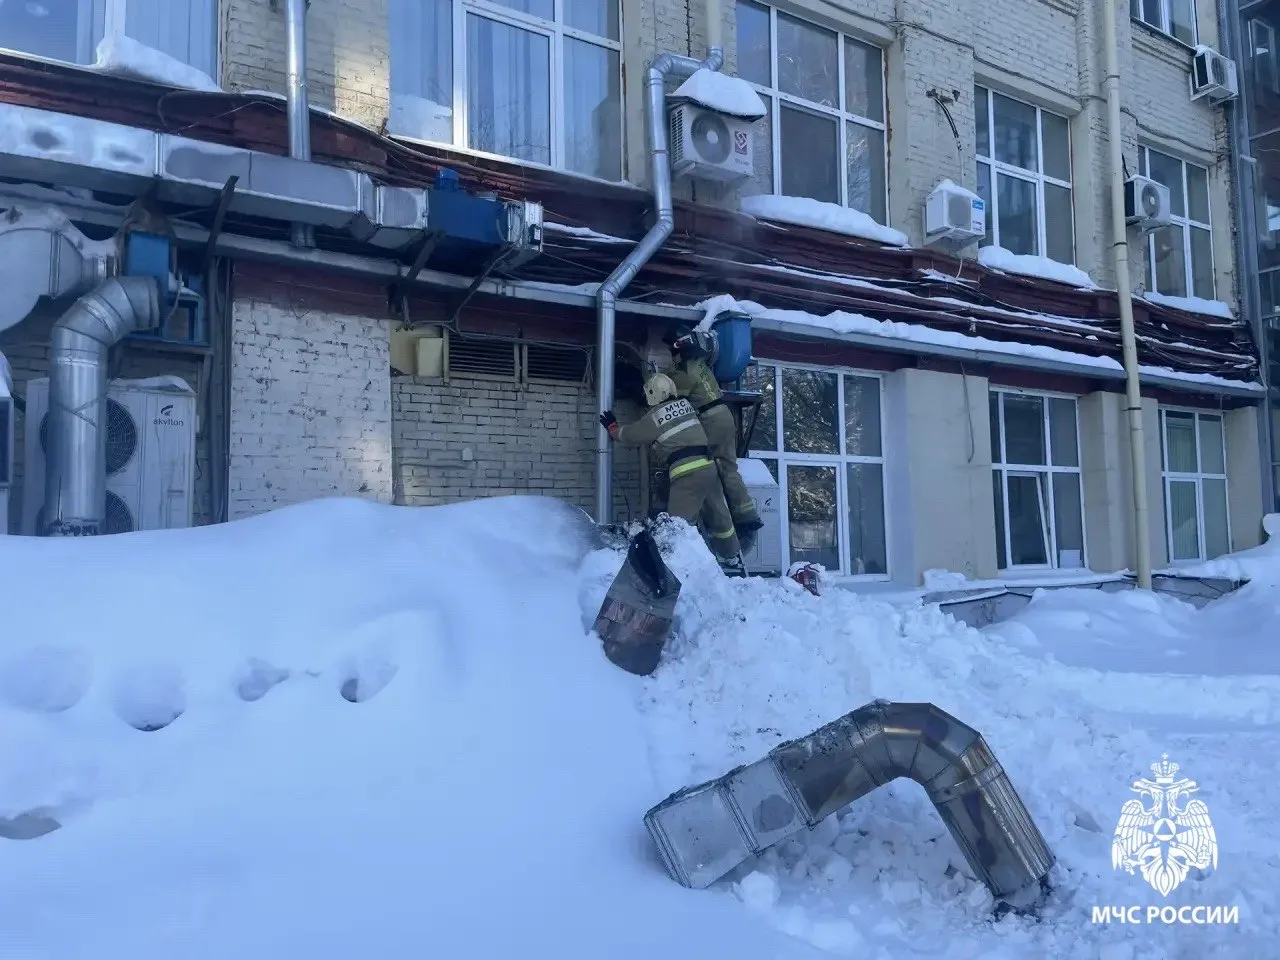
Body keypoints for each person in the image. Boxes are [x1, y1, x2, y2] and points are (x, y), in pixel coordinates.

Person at [600, 373, 744, 572]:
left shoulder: (655, 416)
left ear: (652, 394)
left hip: (687, 475)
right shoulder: (686, 406)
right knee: (719, 514)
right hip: (709, 468)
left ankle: (678, 568)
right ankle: (731, 555)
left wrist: (613, 428)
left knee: (677, 526)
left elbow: (631, 435)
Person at [664, 326, 764, 551]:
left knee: (703, 470)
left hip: (708, 420)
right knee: (728, 467)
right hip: (724, 415)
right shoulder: (702, 365)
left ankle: (715, 531)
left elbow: (670, 401)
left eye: (673, 349)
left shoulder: (683, 371)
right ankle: (747, 516)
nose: (672, 353)